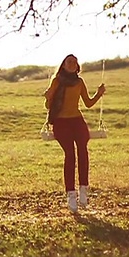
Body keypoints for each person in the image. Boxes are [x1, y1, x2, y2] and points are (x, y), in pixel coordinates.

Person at [43, 54, 106, 213]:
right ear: (63, 65)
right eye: (69, 61)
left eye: (75, 62)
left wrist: (99, 94)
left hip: (77, 120)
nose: (72, 64)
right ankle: (71, 194)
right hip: (61, 122)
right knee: (70, 155)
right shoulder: (57, 81)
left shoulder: (79, 82)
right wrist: (48, 97)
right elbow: (48, 106)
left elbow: (88, 103)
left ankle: (83, 188)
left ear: (77, 66)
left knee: (83, 151)